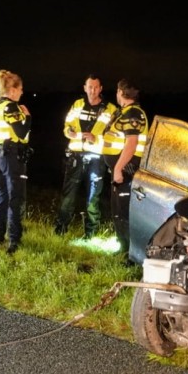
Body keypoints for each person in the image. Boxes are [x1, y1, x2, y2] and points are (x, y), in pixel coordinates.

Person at [54, 74, 117, 238]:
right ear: (84, 88)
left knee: (93, 197)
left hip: (97, 157)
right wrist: (69, 131)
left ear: (101, 89)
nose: (92, 90)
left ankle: (91, 233)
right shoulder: (77, 104)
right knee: (68, 195)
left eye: (96, 87)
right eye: (90, 87)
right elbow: (67, 125)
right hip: (75, 155)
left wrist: (97, 138)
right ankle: (60, 229)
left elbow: (116, 136)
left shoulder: (110, 109)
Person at [0, 69, 32, 254]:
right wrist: (28, 116)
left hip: (0, 155)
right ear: (12, 90)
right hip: (13, 156)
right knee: (15, 197)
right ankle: (13, 241)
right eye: (20, 89)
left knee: (1, 194)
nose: (22, 92)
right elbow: (21, 133)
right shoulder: (12, 107)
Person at [102, 78, 148, 255]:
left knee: (124, 212)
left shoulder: (133, 113)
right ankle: (123, 248)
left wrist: (118, 168)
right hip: (120, 170)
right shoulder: (125, 112)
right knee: (117, 210)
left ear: (121, 92)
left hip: (126, 170)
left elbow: (132, 143)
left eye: (117, 91)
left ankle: (130, 253)